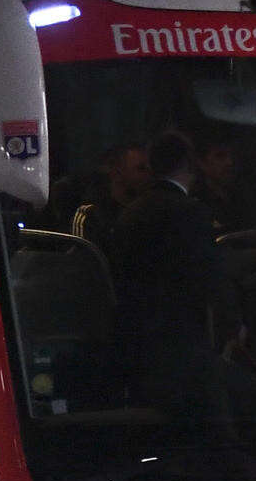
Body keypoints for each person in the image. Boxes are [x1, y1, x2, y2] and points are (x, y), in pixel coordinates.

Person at [109, 130, 227, 429]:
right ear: (190, 164)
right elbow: (209, 278)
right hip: (186, 343)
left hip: (139, 342)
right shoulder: (191, 212)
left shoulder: (130, 213)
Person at [70, 142, 150, 260]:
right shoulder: (91, 214)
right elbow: (82, 263)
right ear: (117, 173)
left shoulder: (149, 211)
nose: (149, 175)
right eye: (141, 169)